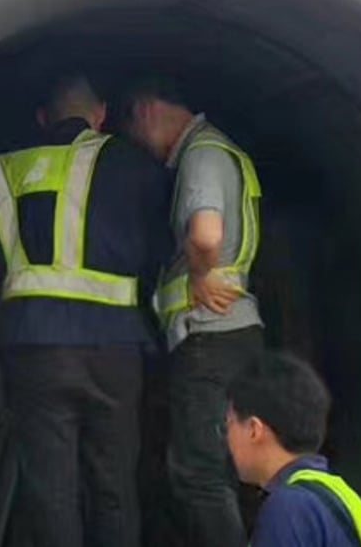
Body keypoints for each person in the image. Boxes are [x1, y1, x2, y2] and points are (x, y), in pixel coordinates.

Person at [0, 74, 171, 547]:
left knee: (51, 491)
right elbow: (162, 252)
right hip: (115, 346)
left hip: (35, 348)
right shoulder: (136, 165)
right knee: (114, 485)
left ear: (43, 119)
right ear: (101, 114)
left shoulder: (10, 169)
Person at [121, 78, 264, 547]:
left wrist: (201, 273)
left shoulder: (201, 155)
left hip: (208, 336)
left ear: (146, 109)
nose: (143, 148)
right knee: (227, 469)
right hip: (234, 335)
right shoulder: (224, 152)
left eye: (134, 132)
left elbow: (206, 234)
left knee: (198, 476)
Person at [226, 352, 361, 547]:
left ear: (253, 429)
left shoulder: (289, 507)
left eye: (228, 424)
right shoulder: (341, 497)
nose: (226, 437)